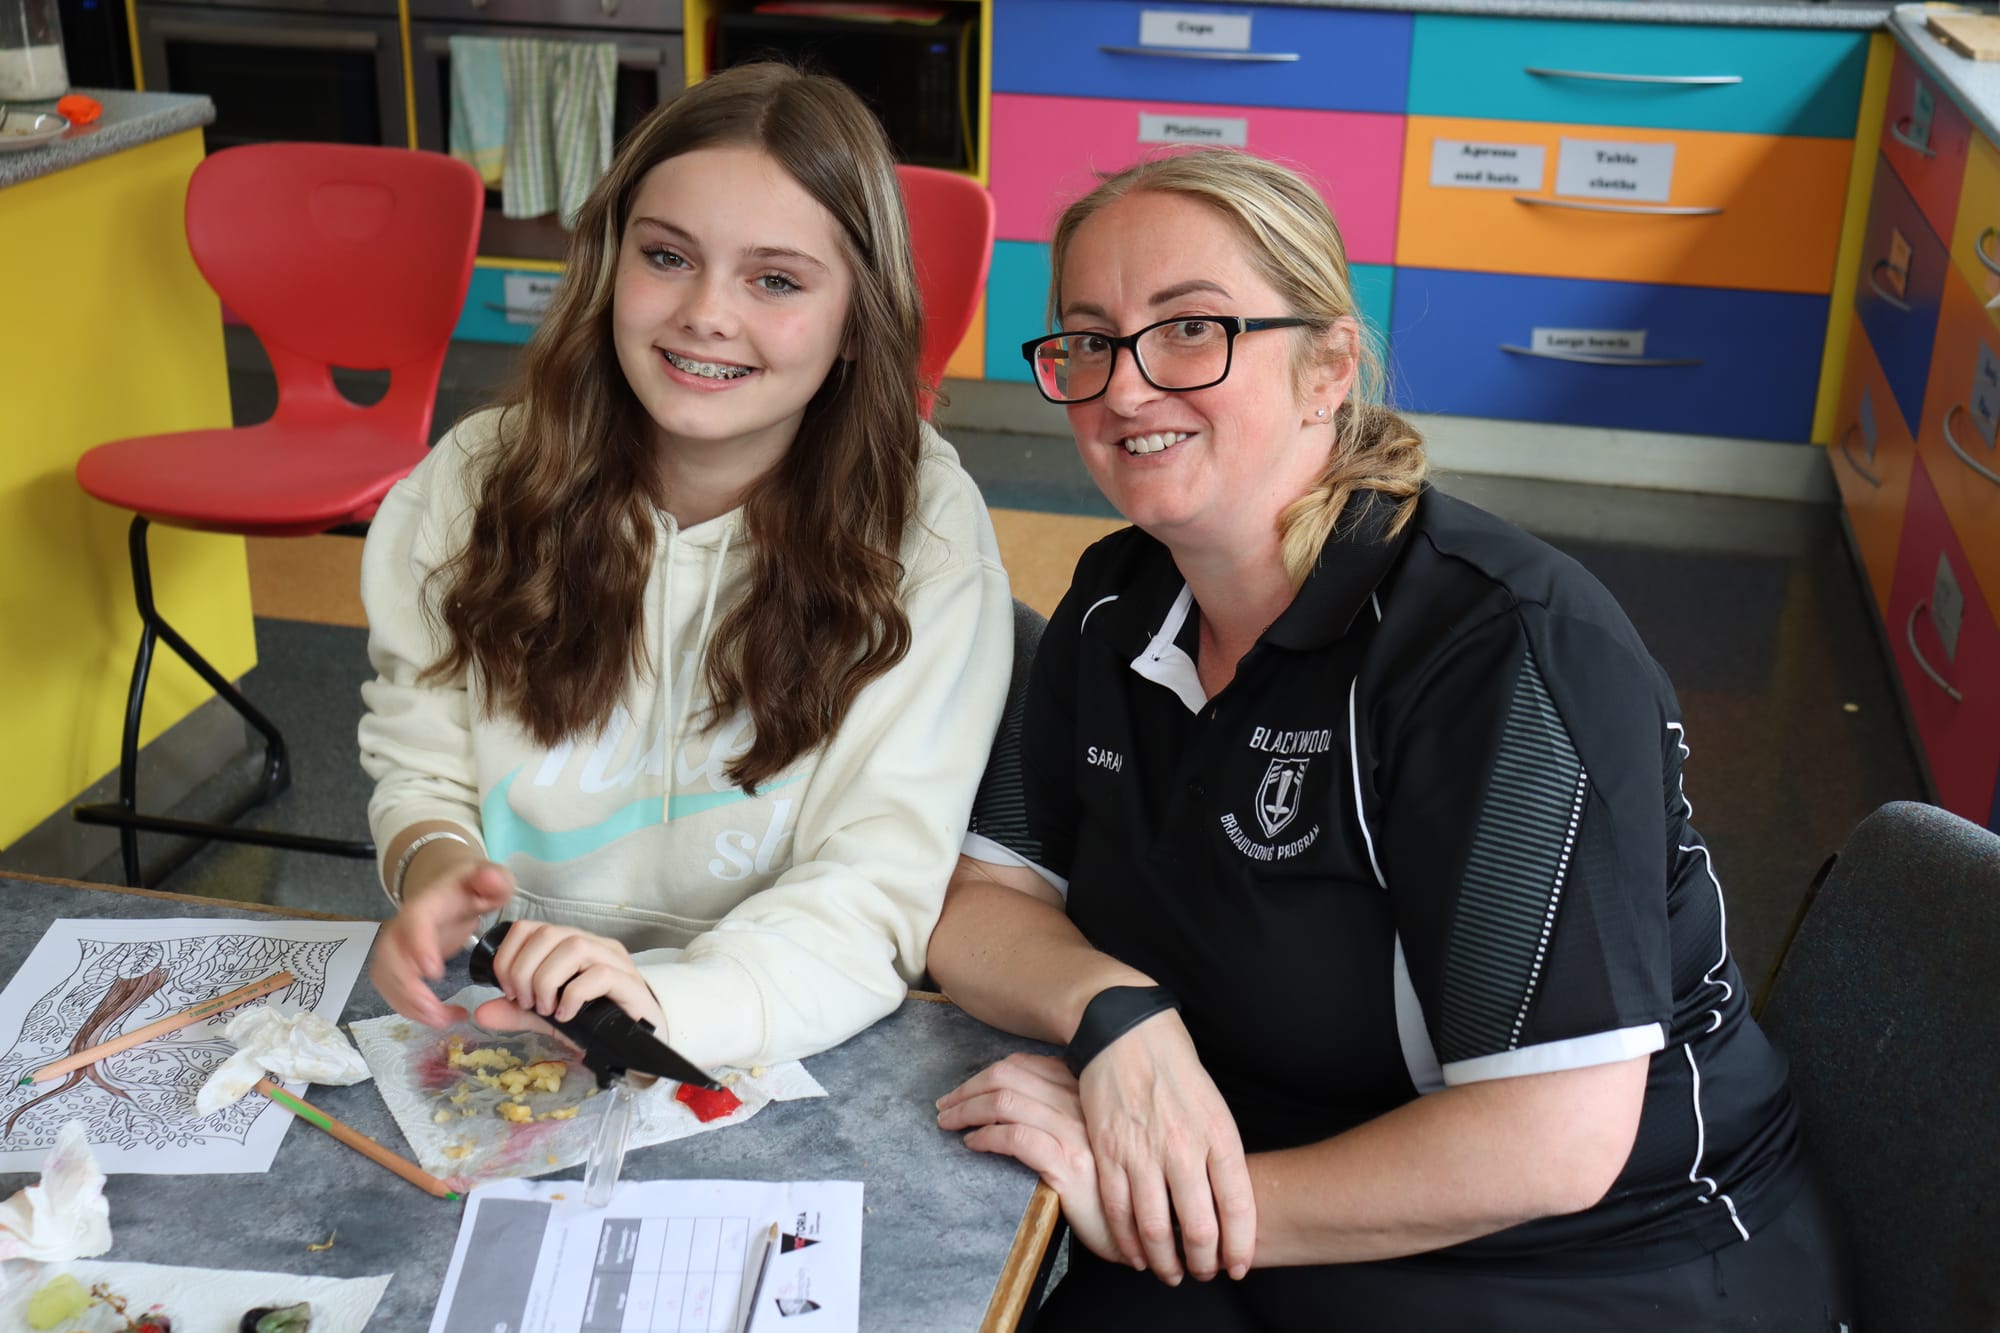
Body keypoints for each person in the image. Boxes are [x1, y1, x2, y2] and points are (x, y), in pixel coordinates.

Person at [927, 147, 1852, 1331]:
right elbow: (980, 902)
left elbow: (1550, 1142)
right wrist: (1113, 1012)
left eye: (1190, 329)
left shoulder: (1495, 651)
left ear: (1326, 368)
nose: (1122, 386)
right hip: (1276, 1191)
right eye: (1088, 339)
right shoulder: (1118, 603)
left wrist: (1175, 1213)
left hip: (1595, 1256)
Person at [357, 62, 1012, 1072]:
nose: (706, 313)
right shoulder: (473, 482)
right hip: (499, 1009)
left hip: (770, 1023)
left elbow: (875, 888)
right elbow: (420, 766)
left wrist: (662, 1001)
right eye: (667, 256)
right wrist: (432, 866)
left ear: (854, 323)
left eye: (777, 280)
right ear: (609, 265)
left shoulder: (922, 530)